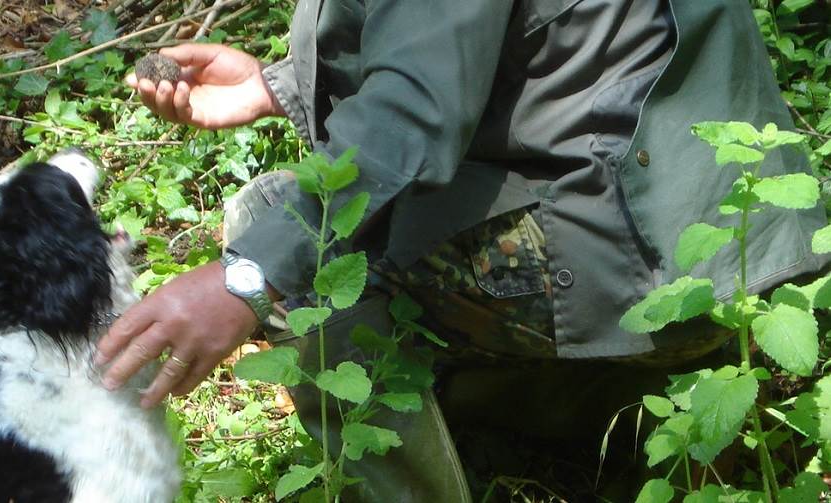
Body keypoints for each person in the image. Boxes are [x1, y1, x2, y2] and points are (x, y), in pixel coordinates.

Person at [94, 0, 830, 500]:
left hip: (629, 262)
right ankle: (597, 419)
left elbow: (413, 117)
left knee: (286, 227)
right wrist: (274, 85)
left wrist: (244, 279)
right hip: (741, 257)